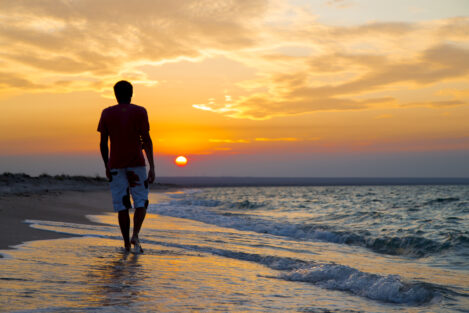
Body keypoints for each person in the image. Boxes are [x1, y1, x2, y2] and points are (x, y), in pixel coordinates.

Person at [98, 80, 155, 253]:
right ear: (131, 94)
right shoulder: (140, 111)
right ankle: (135, 235)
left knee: (122, 205)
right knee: (141, 202)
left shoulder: (107, 113)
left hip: (116, 165)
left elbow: (103, 143)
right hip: (137, 164)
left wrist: (106, 164)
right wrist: (152, 166)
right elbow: (147, 139)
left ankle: (125, 243)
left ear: (116, 95)